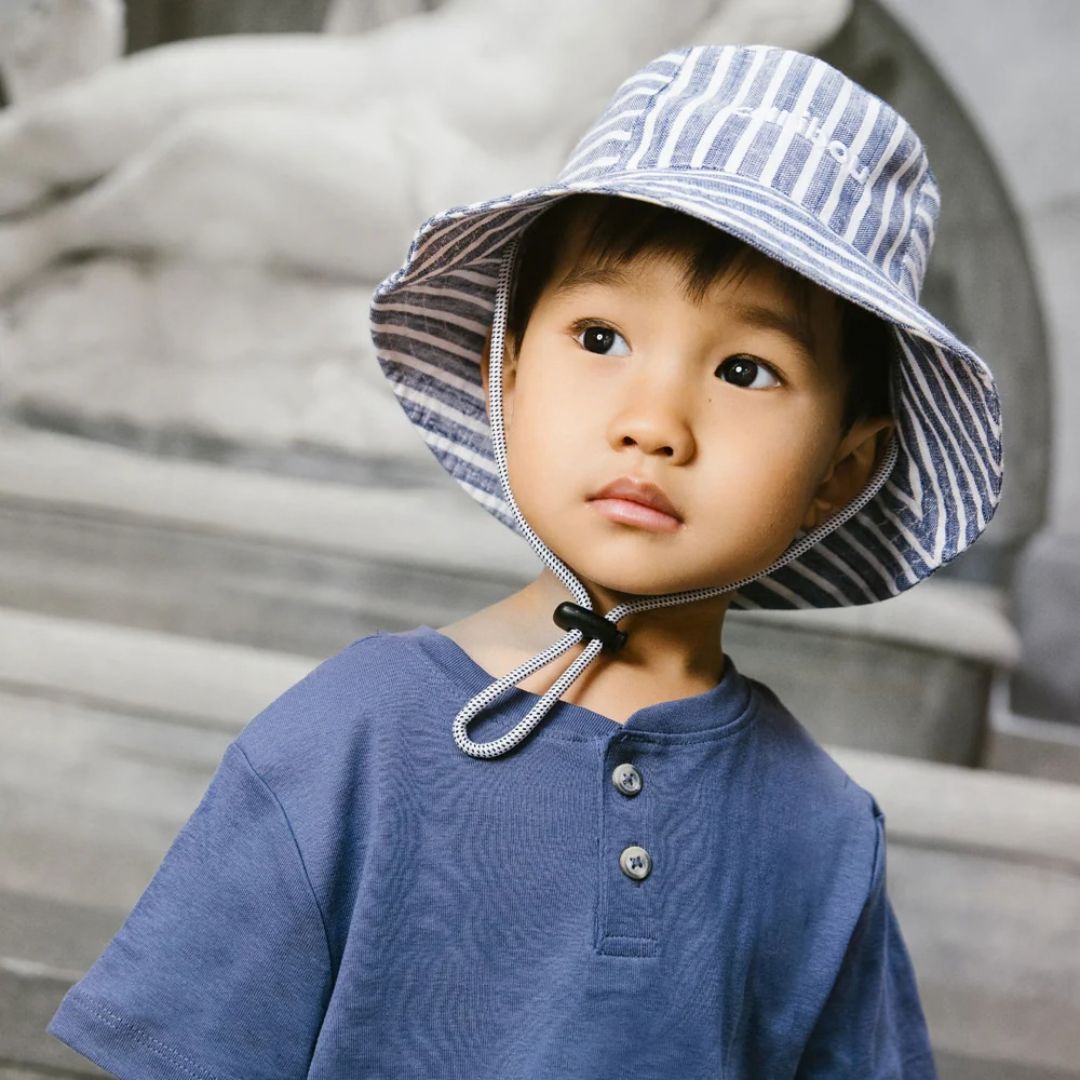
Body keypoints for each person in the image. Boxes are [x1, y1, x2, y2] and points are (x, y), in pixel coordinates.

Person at [46, 43, 1001, 1078]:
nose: (653, 422)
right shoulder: (348, 740)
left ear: (840, 470)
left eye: (744, 368)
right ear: (507, 375)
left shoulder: (820, 834)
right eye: (599, 338)